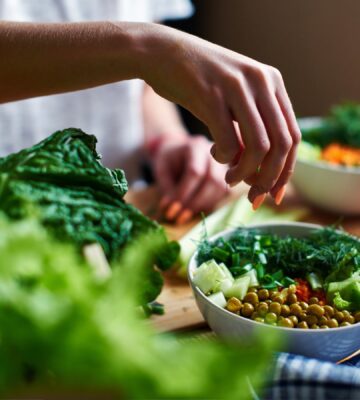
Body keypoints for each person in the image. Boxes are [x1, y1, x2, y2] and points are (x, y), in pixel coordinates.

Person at [0, 0, 301, 224]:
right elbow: (145, 60)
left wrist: (166, 140)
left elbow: (142, 87)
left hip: (112, 214)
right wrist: (145, 49)